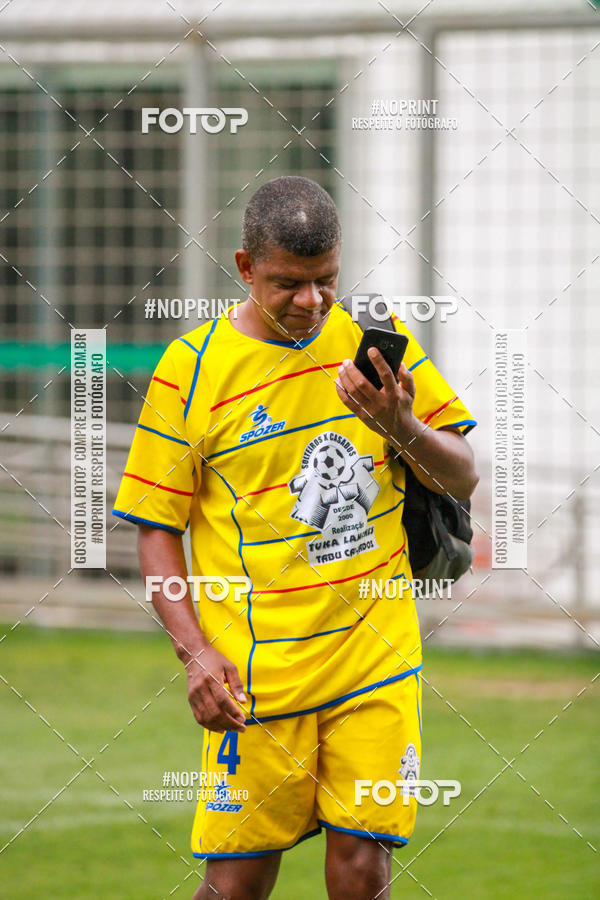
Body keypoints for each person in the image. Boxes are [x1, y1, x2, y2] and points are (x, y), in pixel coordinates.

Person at [112, 175, 478, 899]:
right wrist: (195, 653)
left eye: (326, 281)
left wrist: (398, 425)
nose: (311, 302)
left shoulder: (376, 350)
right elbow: (156, 530)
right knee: (238, 881)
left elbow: (463, 476)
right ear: (246, 268)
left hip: (374, 657)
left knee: (362, 869)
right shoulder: (192, 370)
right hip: (256, 676)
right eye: (289, 284)